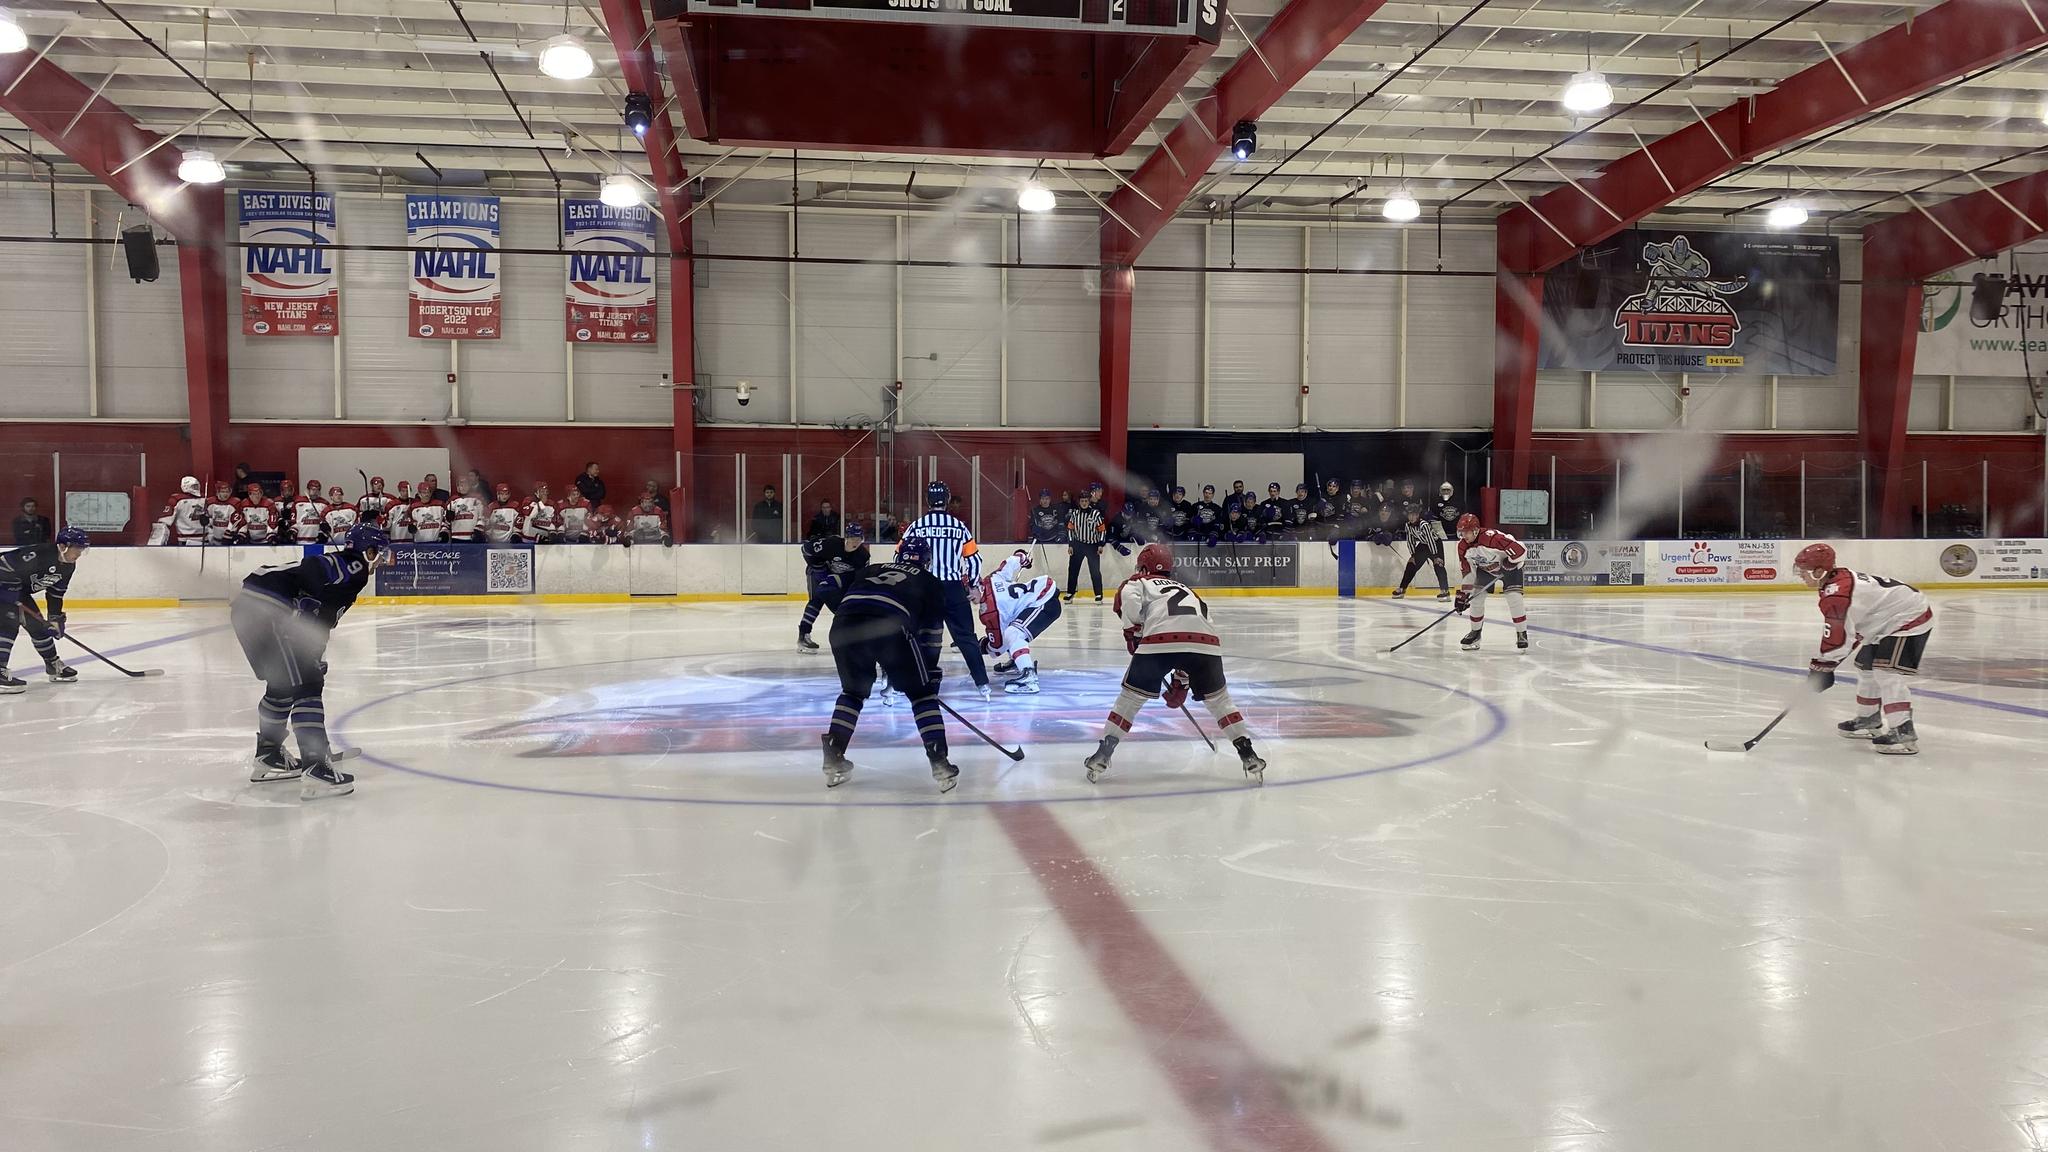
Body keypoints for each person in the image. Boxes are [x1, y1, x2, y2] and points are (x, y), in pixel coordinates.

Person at [1084, 542, 1265, 784]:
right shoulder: (1188, 589)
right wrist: (1182, 682)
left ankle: (1103, 754)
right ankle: (1247, 752)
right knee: (1220, 702)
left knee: (1130, 700)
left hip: (1159, 640)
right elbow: (1197, 626)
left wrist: (1133, 633)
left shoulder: (1138, 581)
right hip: (1206, 644)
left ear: (1144, 566)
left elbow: (1127, 602)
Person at [232, 523, 389, 798]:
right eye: (381, 553)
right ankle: (315, 764)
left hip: (250, 609)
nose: (383, 560)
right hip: (271, 611)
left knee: (282, 685)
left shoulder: (349, 570)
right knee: (308, 683)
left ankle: (269, 754)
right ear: (369, 551)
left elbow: (321, 619)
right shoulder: (354, 567)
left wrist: (314, 650)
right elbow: (311, 573)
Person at [817, 536, 957, 791]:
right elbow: (932, 634)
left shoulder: (871, 568)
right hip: (890, 626)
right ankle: (939, 761)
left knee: (853, 692)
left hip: (844, 625)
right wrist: (929, 673)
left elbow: (828, 587)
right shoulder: (931, 582)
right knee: (922, 696)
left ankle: (834, 753)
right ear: (927, 561)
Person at [1794, 542, 1934, 755]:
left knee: (1886, 672)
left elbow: (1838, 639)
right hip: (1885, 619)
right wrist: (1825, 666)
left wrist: (1822, 668)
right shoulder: (1835, 582)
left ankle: (1902, 730)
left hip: (1909, 618)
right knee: (1865, 667)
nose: (1800, 576)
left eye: (1803, 571)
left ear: (1819, 571)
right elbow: (1849, 632)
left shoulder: (1836, 595)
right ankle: (1868, 719)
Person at [900, 481, 992, 698]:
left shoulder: (917, 526)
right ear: (947, 500)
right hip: (952, 589)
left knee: (918, 636)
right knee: (966, 638)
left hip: (924, 588)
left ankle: (909, 683)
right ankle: (983, 684)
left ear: (927, 501)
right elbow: (974, 560)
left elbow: (900, 556)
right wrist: (973, 585)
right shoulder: (959, 527)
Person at [0, 527, 88, 692]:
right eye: (77, 548)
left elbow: (55, 593)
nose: (79, 553)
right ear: (63, 546)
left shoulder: (68, 566)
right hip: (3, 588)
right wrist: (9, 591)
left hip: (18, 592)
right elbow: (3, 563)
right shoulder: (40, 554)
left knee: (39, 627)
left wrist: (55, 619)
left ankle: (53, 665)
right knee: (8, 624)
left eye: (82, 549)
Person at [976, 548, 1061, 695]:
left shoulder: (989, 611)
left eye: (968, 590)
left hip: (1043, 600)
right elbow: (1012, 561)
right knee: (1012, 626)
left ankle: (1029, 677)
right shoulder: (992, 579)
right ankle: (1017, 662)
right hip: (1043, 591)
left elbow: (998, 647)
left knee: (1012, 633)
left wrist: (983, 646)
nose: (967, 595)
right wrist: (1022, 558)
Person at [1453, 513, 1530, 652]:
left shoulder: (1492, 538)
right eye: (1462, 532)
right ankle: (1475, 634)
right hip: (1486, 570)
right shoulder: (1463, 547)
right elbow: (1469, 572)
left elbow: (1521, 550)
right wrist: (1464, 594)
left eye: (1466, 532)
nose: (1464, 536)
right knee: (1476, 598)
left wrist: (1511, 562)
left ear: (1475, 530)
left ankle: (1522, 633)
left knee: (1514, 597)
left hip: (1510, 569)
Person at [797, 524, 871, 653]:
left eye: (859, 539)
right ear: (846, 537)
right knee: (816, 601)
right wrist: (819, 568)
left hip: (840, 579)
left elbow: (860, 578)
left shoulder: (863, 556)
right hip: (817, 573)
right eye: (853, 538)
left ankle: (849, 631)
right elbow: (805, 549)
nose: (856, 542)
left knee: (843, 604)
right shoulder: (831, 544)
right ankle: (804, 635)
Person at [1392, 505, 1451, 600]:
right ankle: (1402, 588)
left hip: (1435, 544)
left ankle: (1445, 591)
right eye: (1409, 515)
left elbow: (1430, 540)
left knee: (1438, 565)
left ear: (1417, 515)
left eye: (1413, 515)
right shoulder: (1408, 525)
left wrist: (1435, 556)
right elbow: (1410, 541)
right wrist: (1413, 555)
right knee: (1411, 564)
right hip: (1423, 545)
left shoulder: (1424, 525)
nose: (1411, 517)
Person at [1064, 489, 1107, 604]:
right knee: (1073, 570)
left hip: (1092, 546)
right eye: (1082, 501)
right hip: (1078, 545)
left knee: (1095, 571)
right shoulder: (1075, 514)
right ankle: (1070, 592)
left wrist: (1100, 544)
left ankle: (1098, 594)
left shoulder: (1096, 513)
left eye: (1086, 501)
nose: (1084, 503)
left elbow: (1102, 530)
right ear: (1079, 502)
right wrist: (1071, 545)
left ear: (1089, 501)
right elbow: (1070, 529)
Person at [156, 475, 210, 545]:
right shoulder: (177, 500)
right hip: (185, 539)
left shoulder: (205, 499)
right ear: (185, 486)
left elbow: (213, 519)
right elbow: (164, 521)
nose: (196, 488)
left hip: (204, 538)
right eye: (194, 486)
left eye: (197, 486)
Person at [289, 480, 329, 545]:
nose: (315, 492)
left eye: (317, 490)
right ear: (308, 490)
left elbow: (326, 523)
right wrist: (292, 531)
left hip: (317, 540)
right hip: (301, 539)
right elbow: (293, 521)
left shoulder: (324, 503)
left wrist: (323, 533)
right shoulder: (298, 502)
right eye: (313, 489)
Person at [446, 478, 485, 542]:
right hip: (456, 537)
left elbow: (483, 517)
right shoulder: (452, 501)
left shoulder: (477, 499)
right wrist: (448, 517)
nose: (463, 487)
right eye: (461, 485)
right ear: (457, 487)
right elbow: (446, 522)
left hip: (472, 537)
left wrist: (478, 530)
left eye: (465, 485)